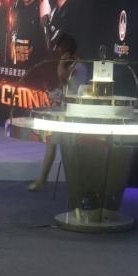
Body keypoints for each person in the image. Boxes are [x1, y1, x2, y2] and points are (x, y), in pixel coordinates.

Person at [29, 33, 88, 192]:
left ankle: (77, 186)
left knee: (70, 152)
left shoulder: (78, 67)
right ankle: (42, 180)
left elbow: (65, 80)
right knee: (51, 146)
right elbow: (64, 86)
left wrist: (61, 64)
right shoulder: (72, 65)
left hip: (73, 115)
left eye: (60, 49)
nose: (58, 52)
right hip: (63, 111)